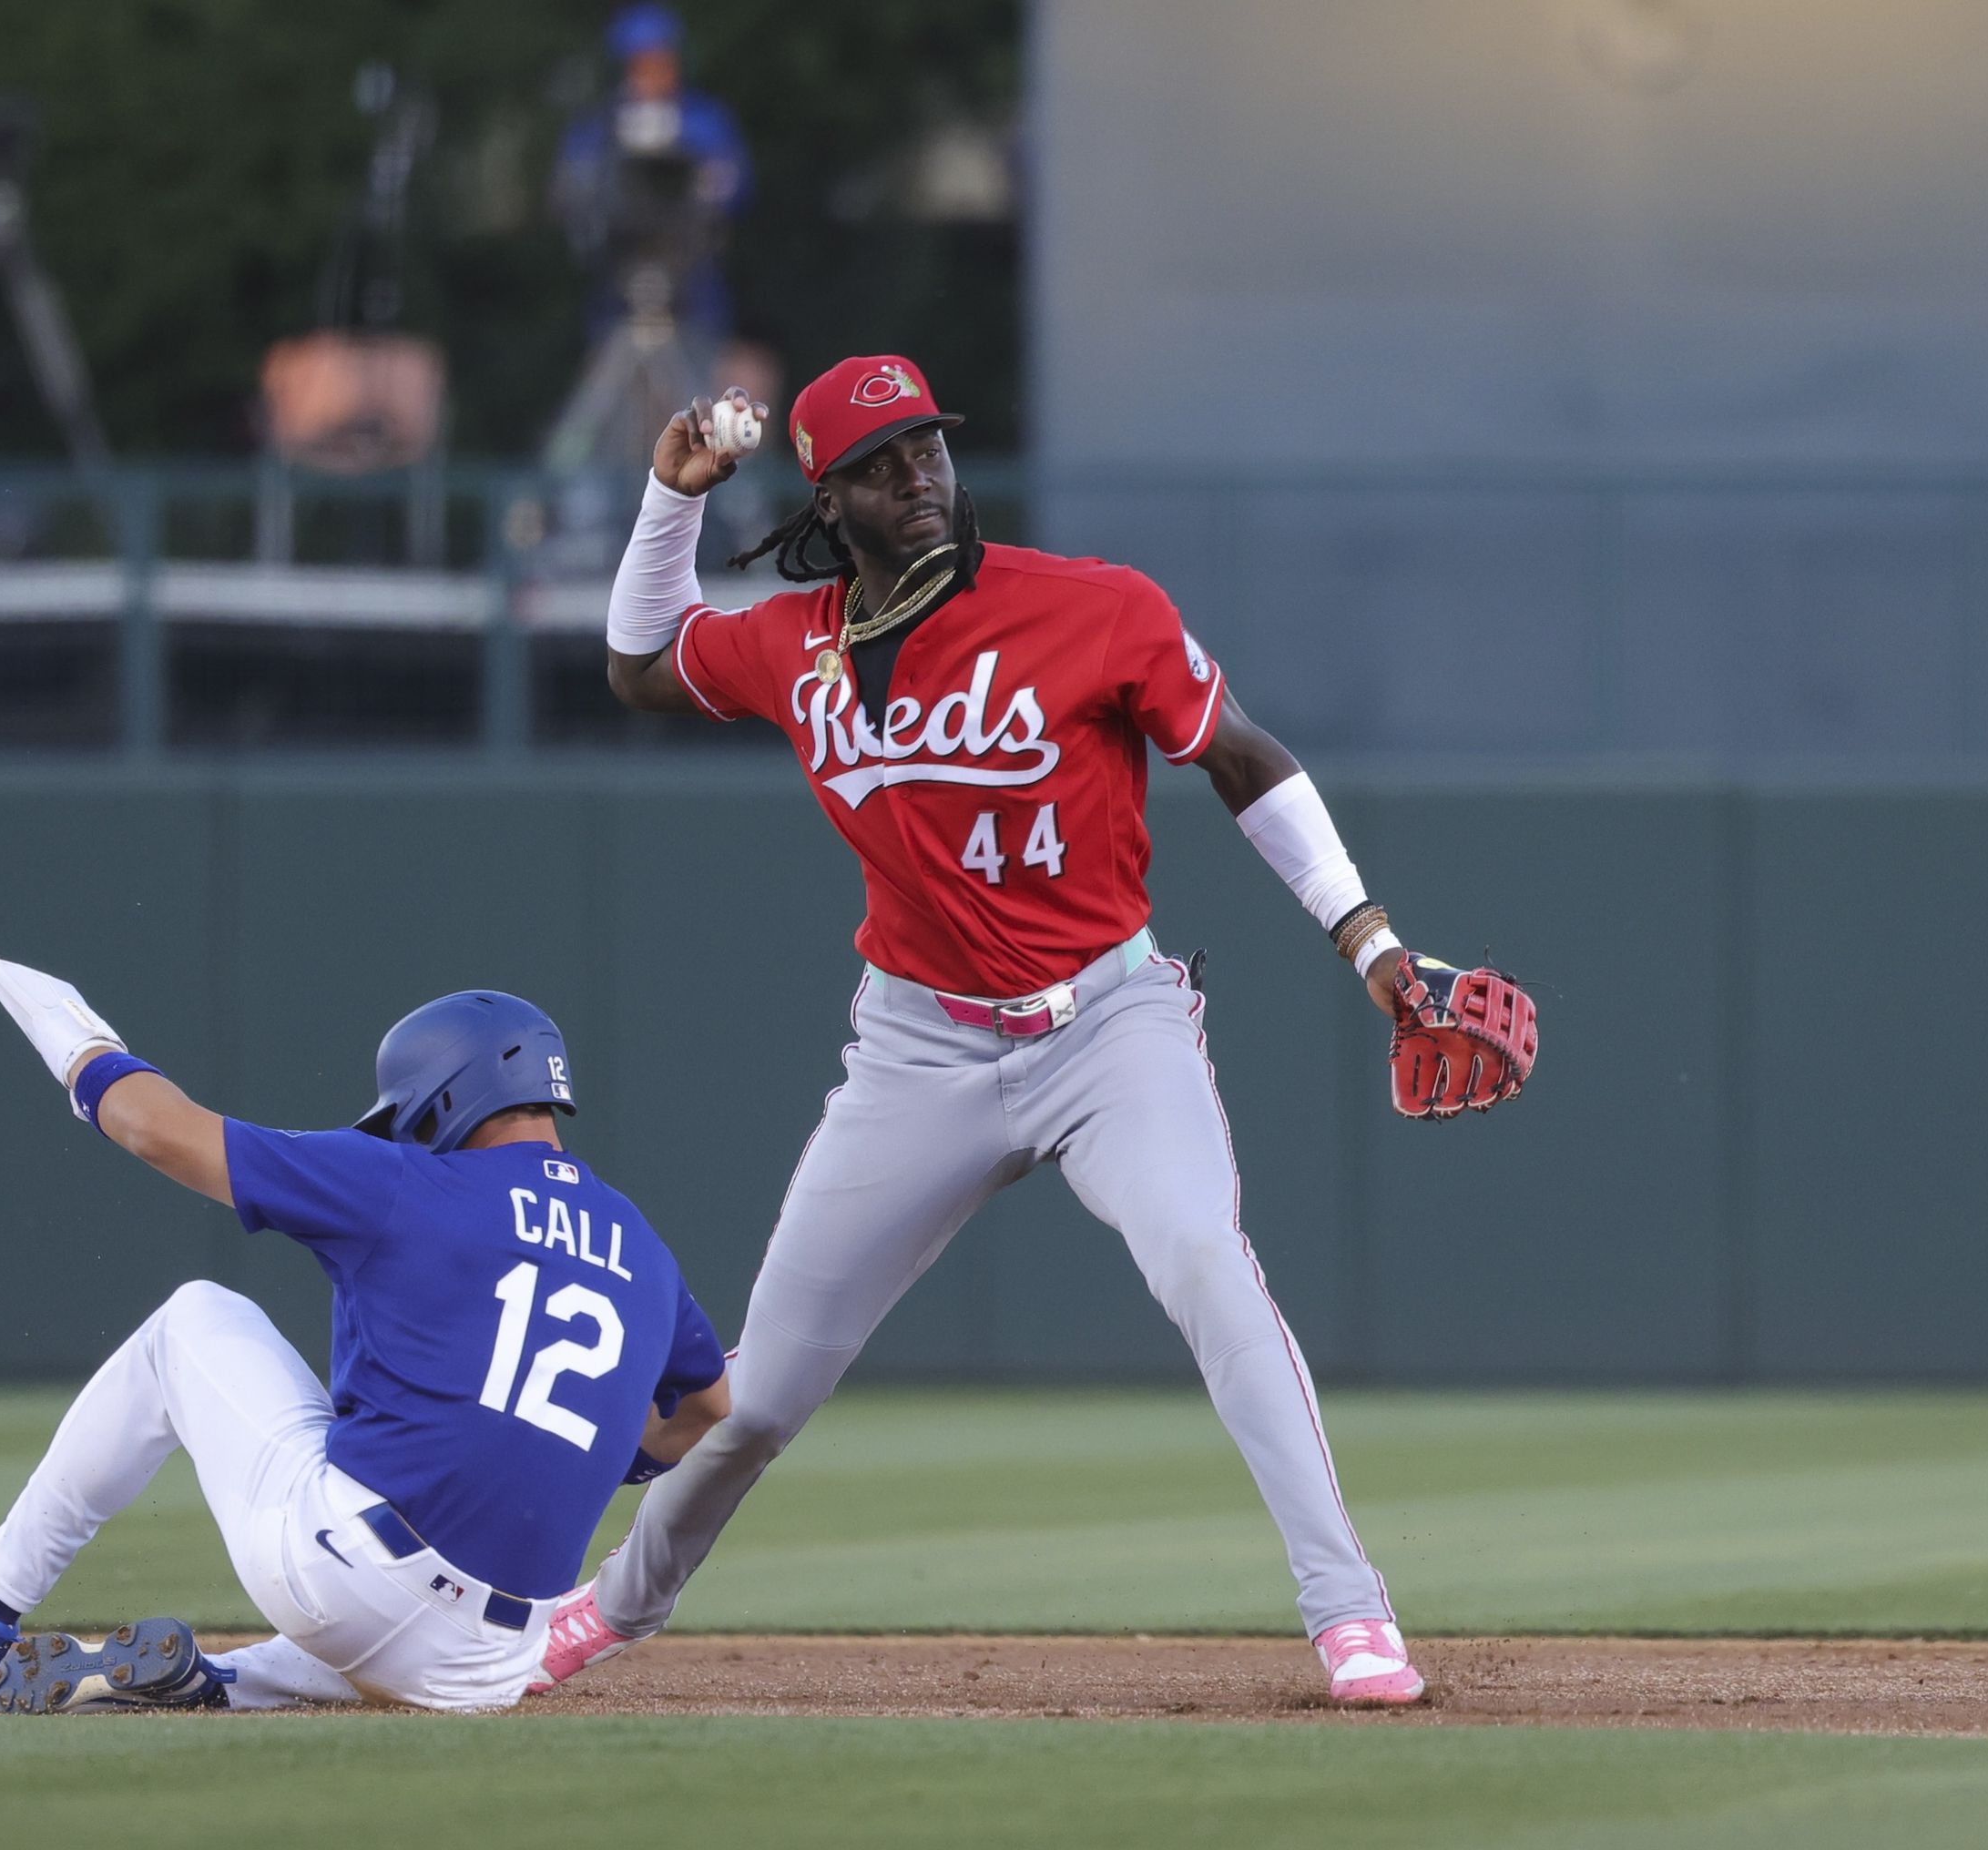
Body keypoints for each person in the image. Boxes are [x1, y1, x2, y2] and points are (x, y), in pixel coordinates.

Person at [537, 358, 1481, 1708]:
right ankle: (608, 1610)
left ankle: (1350, 1616)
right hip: (916, 1054)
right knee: (759, 1393)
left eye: (927, 447)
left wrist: (1373, 943)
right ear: (831, 496)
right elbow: (638, 670)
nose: (917, 475)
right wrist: (665, 501)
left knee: (1208, 1263)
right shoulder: (790, 642)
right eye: (881, 463)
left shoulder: (1093, 606)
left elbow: (1243, 758)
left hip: (1108, 1024)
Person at [0, 961, 730, 1713]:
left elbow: (154, 1128)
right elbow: (707, 1405)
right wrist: (587, 1449)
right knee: (375, 1618)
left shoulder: (405, 1181)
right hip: (491, 1663)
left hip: (352, 1579)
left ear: (444, 1101)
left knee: (193, 1319)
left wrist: (79, 1043)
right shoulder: (640, 1247)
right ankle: (218, 1684)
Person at [554, 4, 750, 352]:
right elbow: (571, 193)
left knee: (696, 382)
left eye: (661, 63)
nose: (652, 75)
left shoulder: (705, 122)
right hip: (617, 286)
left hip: (693, 285)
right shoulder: (596, 130)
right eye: (640, 64)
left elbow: (735, 189)